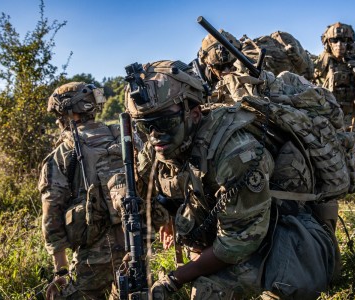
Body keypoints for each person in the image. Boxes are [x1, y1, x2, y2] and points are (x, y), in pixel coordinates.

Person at [122, 60, 336, 299]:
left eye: (163, 123)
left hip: (285, 236)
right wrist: (164, 218)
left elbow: (238, 242)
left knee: (207, 293)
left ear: (193, 114)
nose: (153, 137)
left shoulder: (236, 153)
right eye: (144, 126)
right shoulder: (165, 141)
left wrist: (175, 279)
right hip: (240, 227)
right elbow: (142, 190)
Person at [38, 82, 126, 299]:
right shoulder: (123, 138)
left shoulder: (61, 154)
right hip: (134, 247)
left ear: (65, 112)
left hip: (93, 258)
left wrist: (61, 270)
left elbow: (52, 215)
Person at [313, 22, 355, 192]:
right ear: (328, 42)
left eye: (344, 41)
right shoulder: (323, 60)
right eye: (335, 40)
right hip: (330, 120)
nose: (339, 45)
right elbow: (308, 79)